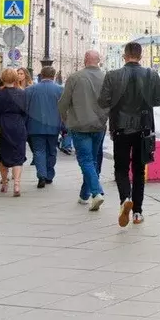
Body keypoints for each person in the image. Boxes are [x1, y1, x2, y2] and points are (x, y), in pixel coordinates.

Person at [99, 41, 160, 227]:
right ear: (140, 55)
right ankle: (137, 212)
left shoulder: (112, 75)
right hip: (143, 128)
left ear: (124, 56)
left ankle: (125, 199)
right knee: (138, 169)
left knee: (120, 167)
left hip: (120, 128)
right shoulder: (151, 75)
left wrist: (115, 101)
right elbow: (159, 100)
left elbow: (103, 101)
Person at [59, 50, 109, 209]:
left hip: (79, 125)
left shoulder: (75, 78)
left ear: (85, 60)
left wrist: (65, 119)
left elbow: (63, 103)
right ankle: (84, 195)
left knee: (86, 161)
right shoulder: (106, 78)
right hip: (99, 126)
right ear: (99, 61)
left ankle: (96, 192)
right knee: (92, 161)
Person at [0, 68, 29, 196]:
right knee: (18, 155)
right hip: (18, 125)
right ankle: (17, 185)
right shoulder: (22, 93)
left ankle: (4, 183)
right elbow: (26, 112)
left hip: (3, 126)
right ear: (15, 78)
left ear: (2, 78)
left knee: (3, 155)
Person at [25, 66, 64, 188]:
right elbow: (64, 111)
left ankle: (41, 175)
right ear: (53, 75)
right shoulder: (60, 90)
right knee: (52, 151)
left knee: (38, 151)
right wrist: (64, 127)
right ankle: (49, 175)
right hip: (53, 126)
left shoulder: (30, 90)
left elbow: (25, 109)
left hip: (35, 126)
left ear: (41, 74)